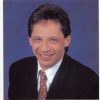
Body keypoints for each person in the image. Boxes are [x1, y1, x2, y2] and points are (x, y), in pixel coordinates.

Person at [8, 4, 99, 99]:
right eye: (38, 39)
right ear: (30, 40)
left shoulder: (88, 82)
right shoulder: (17, 70)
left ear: (67, 41)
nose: (44, 48)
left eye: (53, 40)